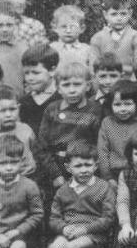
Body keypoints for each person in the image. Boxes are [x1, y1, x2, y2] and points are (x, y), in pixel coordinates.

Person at [43, 141, 116, 248]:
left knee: (70, 247)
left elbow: (108, 219)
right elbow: (54, 218)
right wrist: (64, 228)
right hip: (69, 230)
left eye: (88, 165)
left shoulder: (103, 188)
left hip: (94, 235)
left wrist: (85, 229)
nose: (84, 170)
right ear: (68, 168)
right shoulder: (63, 190)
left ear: (96, 165)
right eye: (78, 166)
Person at [37, 62, 103, 193]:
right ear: (58, 88)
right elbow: (42, 146)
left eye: (77, 84)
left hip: (86, 169)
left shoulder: (95, 110)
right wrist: (56, 174)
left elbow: (100, 145)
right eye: (66, 85)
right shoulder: (52, 110)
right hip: (57, 168)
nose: (72, 90)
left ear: (88, 85)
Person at [97, 80, 137, 185]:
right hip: (114, 174)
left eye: (128, 104)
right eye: (117, 105)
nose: (122, 109)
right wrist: (108, 177)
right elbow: (102, 152)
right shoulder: (107, 123)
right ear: (111, 105)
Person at [0, 85, 38, 180]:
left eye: (12, 109)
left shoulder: (25, 130)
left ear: (18, 107)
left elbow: (37, 152)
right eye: (2, 111)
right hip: (5, 188)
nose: (8, 115)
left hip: (33, 180)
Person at [89, 0, 137, 74]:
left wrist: (120, 68)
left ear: (130, 14)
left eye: (123, 14)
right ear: (105, 15)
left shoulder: (135, 36)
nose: (119, 18)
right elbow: (93, 66)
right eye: (114, 14)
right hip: (105, 81)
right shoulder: (98, 38)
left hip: (128, 82)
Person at [19, 43, 61, 131]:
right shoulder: (23, 102)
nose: (29, 78)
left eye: (36, 73)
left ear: (52, 71)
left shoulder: (63, 99)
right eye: (26, 73)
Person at [49, 5, 97, 70]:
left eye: (73, 27)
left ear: (82, 29)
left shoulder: (87, 50)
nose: (68, 31)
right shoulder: (51, 49)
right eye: (63, 26)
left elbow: (92, 71)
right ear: (55, 28)